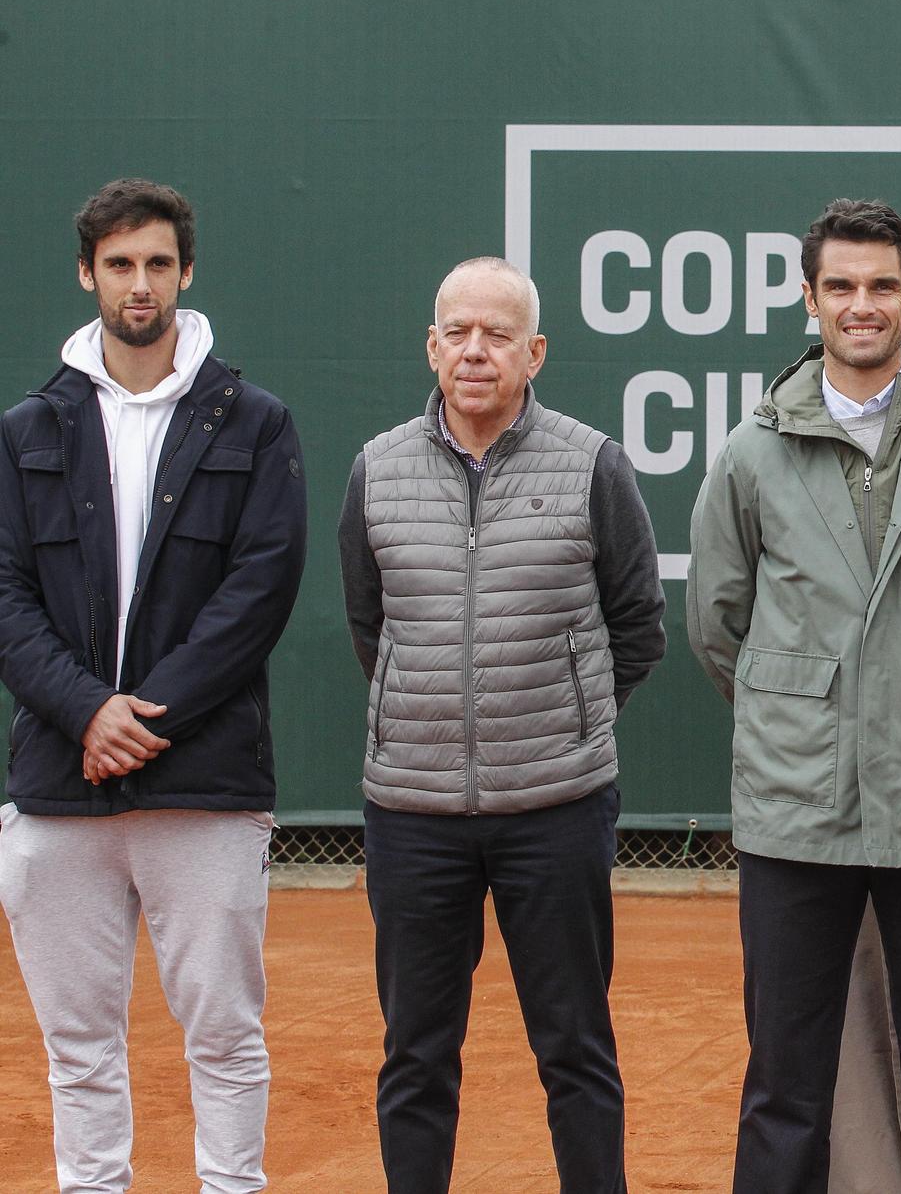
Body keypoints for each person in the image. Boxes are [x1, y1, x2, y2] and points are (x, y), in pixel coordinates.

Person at [686, 198, 901, 1194]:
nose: (861, 304)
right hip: (799, 808)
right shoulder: (751, 451)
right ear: (808, 299)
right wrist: (810, 710)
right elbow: (718, 622)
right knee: (785, 1088)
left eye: (881, 285)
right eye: (839, 286)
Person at [0, 178, 309, 1193]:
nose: (141, 284)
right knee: (79, 1049)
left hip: (205, 782)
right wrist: (86, 710)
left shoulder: (255, 423)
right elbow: (5, 593)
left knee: (224, 1036)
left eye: (159, 264)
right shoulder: (25, 432)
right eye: (121, 264)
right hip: (59, 782)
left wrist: (144, 718)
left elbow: (259, 591)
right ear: (88, 273)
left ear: (187, 273)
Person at [338, 256, 666, 1193]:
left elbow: (636, 626)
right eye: (458, 332)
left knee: (575, 1051)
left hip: (556, 808)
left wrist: (564, 723)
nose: (475, 351)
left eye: (498, 335)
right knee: (415, 1058)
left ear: (536, 352)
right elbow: (373, 625)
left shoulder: (595, 462)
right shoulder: (378, 468)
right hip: (412, 813)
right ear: (431, 346)